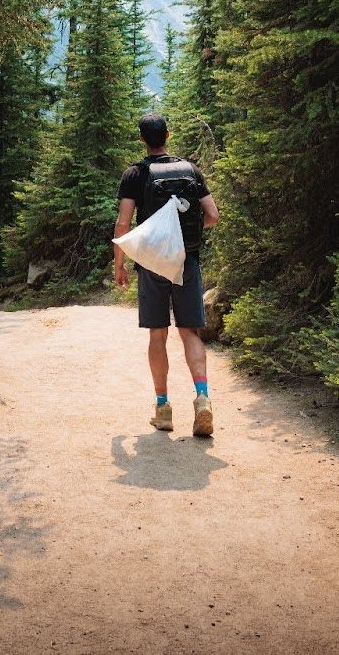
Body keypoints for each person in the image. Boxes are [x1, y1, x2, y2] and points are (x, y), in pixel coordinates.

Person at [112, 112, 220, 437]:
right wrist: (182, 236)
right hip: (187, 261)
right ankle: (202, 399)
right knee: (190, 332)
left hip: (152, 264)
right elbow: (212, 215)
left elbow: (123, 224)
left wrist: (119, 263)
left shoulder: (135, 174)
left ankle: (163, 409)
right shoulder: (190, 170)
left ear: (142, 139)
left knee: (157, 335)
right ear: (168, 135)